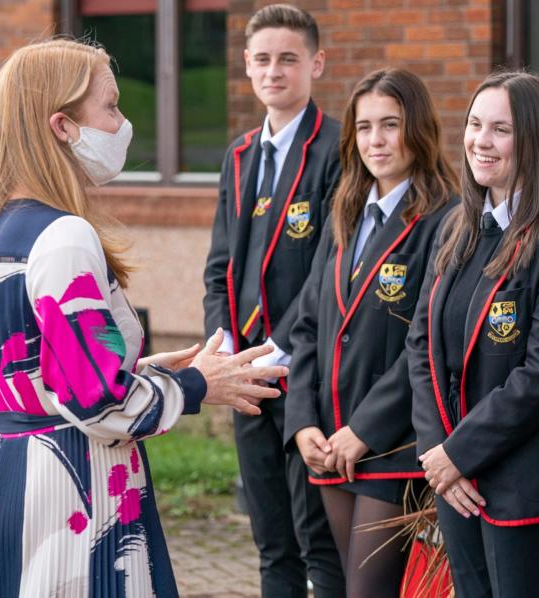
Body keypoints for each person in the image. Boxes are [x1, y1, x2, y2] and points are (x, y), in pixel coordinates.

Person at [0, 38, 286, 597]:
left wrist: (146, 369)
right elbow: (100, 405)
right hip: (77, 496)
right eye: (111, 106)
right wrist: (198, 384)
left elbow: (32, 382)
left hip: (12, 480)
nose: (123, 123)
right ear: (63, 127)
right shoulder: (64, 236)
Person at [284, 68, 458, 597]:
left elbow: (427, 342)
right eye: (364, 128)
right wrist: (301, 422)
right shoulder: (347, 212)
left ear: (419, 130)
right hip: (329, 441)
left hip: (391, 445)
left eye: (390, 125)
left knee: (370, 593)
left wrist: (364, 429)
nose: (375, 141)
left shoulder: (445, 219)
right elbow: (308, 326)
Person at [407, 71, 539, 597]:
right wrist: (441, 456)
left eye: (500, 129)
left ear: (534, 139)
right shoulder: (456, 226)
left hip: (517, 489)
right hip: (456, 485)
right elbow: (421, 348)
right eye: (475, 124)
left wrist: (461, 453)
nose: (481, 141)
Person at [201, 4, 344, 596]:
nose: (274, 71)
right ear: (246, 66)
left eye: (288, 58)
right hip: (244, 380)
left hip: (304, 373)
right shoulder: (238, 156)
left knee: (319, 544)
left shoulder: (338, 148)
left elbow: (329, 270)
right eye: (262, 59)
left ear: (316, 62)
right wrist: (225, 348)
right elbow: (218, 270)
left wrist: (278, 349)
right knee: (271, 543)